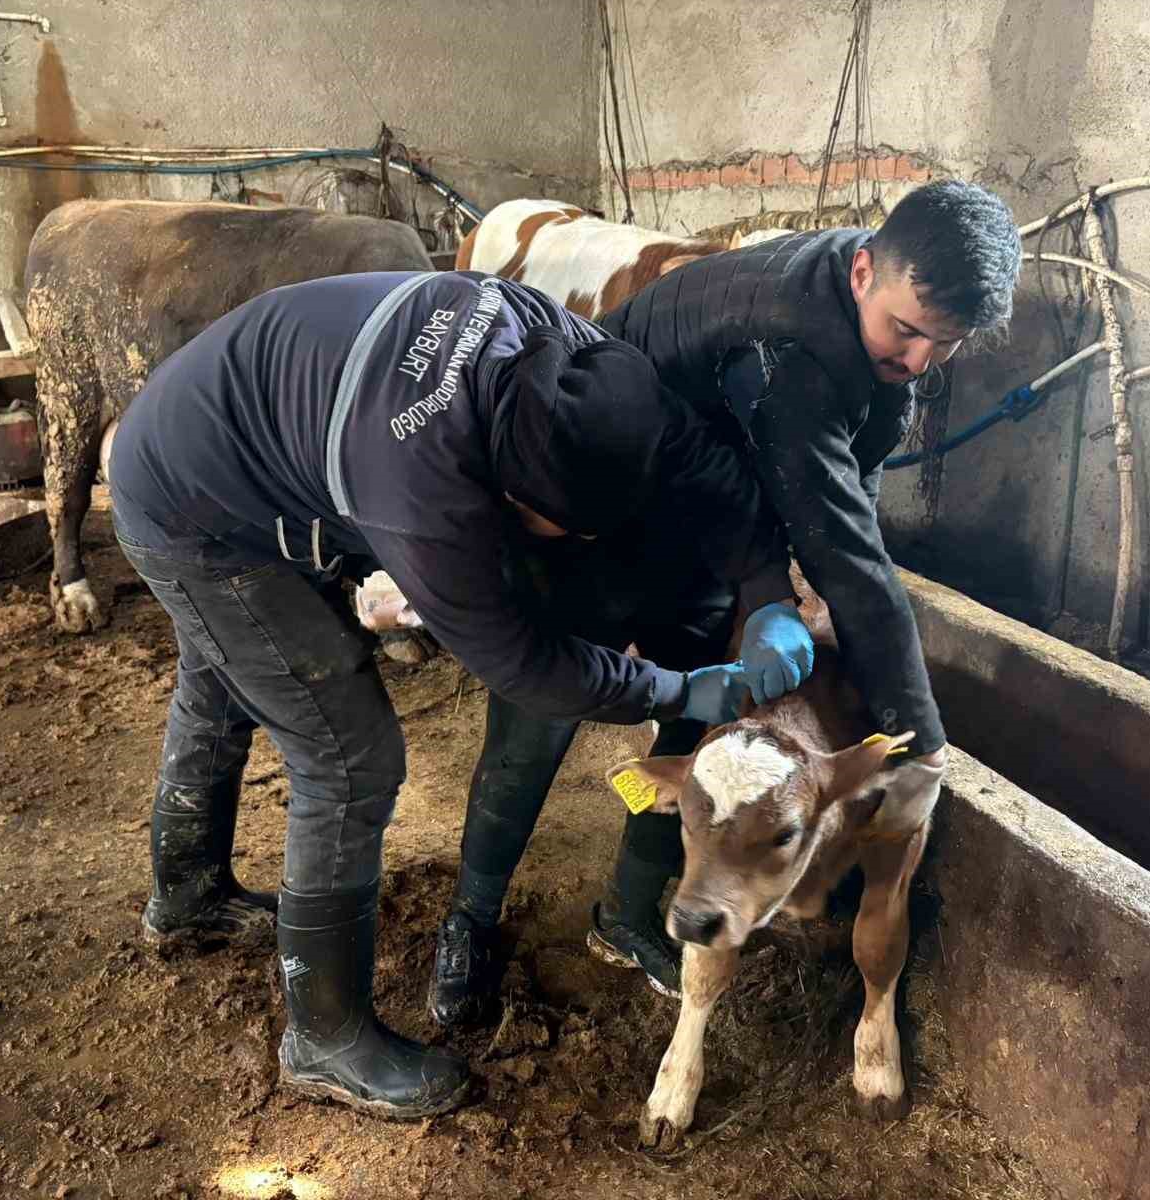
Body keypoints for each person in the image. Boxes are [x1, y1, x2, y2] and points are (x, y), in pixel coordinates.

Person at [108, 267, 811, 1120]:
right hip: (194, 513)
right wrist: (678, 690)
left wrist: (768, 589)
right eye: (571, 528)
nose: (585, 542)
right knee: (347, 748)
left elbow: (691, 455)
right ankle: (323, 1036)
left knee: (224, 673)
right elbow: (523, 665)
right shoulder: (425, 493)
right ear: (509, 493)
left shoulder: (576, 359)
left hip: (213, 429)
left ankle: (186, 896)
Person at [428, 178, 1022, 1022]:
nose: (920, 362)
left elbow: (843, 487)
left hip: (714, 541)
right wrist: (919, 741)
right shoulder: (790, 351)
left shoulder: (875, 315)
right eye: (909, 332)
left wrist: (767, 590)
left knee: (699, 737)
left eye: (946, 344)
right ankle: (471, 920)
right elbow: (849, 555)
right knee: (537, 720)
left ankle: (627, 915)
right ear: (862, 273)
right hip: (593, 527)